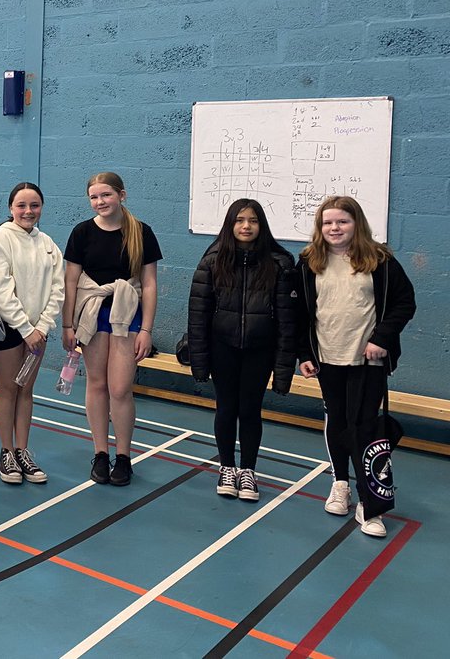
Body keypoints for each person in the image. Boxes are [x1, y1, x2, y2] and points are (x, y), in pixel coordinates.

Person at [297, 196, 415, 538]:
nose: (335, 228)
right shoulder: (308, 262)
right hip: (327, 358)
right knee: (337, 421)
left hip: (368, 359)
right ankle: (340, 484)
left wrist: (382, 338)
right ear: (320, 228)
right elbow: (301, 313)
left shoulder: (380, 260)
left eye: (342, 222)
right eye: (328, 222)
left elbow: (404, 303)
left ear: (356, 224)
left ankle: (371, 503)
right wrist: (304, 353)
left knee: (365, 427)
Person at [187, 198, 300, 501]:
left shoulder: (279, 263)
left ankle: (248, 470)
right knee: (226, 408)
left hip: (259, 351)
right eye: (239, 220)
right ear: (230, 224)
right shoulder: (212, 260)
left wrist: (283, 369)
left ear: (261, 225)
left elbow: (288, 321)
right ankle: (226, 467)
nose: (246, 226)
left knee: (250, 410)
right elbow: (198, 314)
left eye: (252, 220)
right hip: (222, 348)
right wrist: (199, 361)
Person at [62, 172, 160, 487]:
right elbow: (71, 281)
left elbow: (149, 283)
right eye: (94, 197)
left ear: (121, 195)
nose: (100, 202)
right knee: (97, 384)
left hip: (127, 315)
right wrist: (67, 324)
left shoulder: (141, 232)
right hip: (92, 316)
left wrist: (146, 329)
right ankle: (101, 453)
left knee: (120, 388)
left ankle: (124, 456)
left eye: (106, 195)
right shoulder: (82, 233)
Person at [0, 183, 64, 486]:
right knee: (8, 388)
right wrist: (26, 329)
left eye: (34, 205)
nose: (28, 211)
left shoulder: (48, 243)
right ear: (10, 208)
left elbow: (58, 288)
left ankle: (23, 450)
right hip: (7, 329)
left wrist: (42, 326)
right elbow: (1, 290)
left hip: (37, 331)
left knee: (26, 390)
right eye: (21, 206)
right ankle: (6, 452)